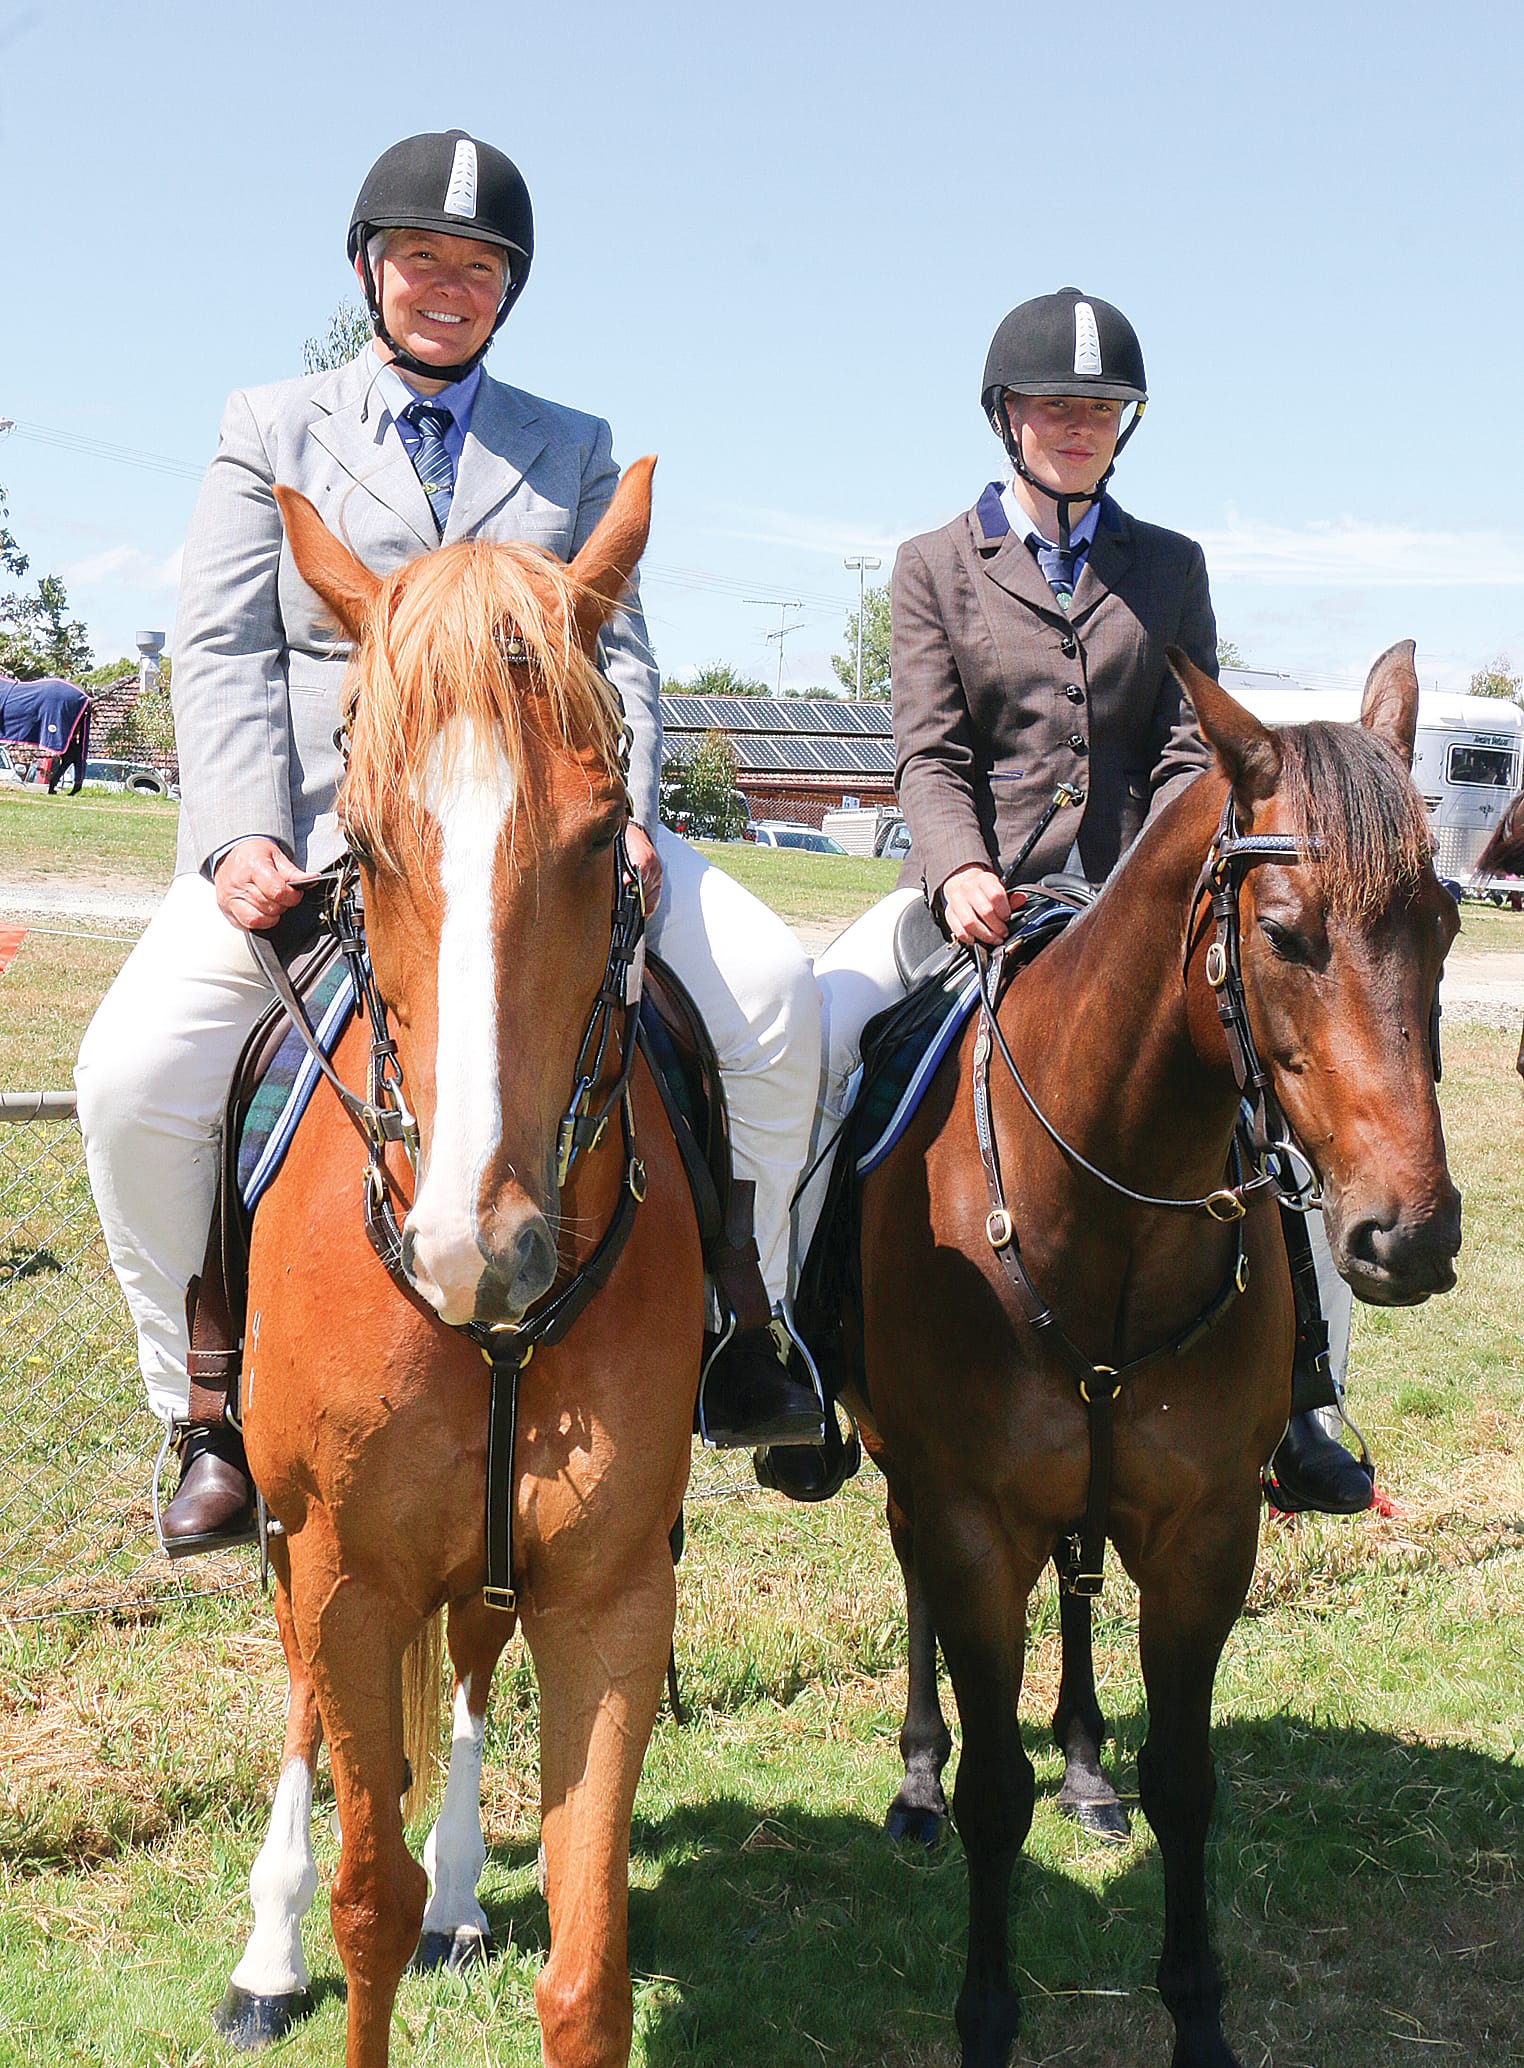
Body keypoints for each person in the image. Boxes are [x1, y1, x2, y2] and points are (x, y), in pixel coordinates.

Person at [75, 130, 823, 1559]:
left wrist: (640, 821)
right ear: (371, 269)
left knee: (779, 1008)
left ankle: (752, 1323)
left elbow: (635, 659)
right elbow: (226, 647)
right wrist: (239, 835)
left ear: (507, 292)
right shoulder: (271, 426)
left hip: (546, 838)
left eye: (479, 267)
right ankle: (204, 1410)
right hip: (327, 841)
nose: (448, 285)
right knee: (127, 1077)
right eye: (423, 257)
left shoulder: (573, 447)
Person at [778, 287, 1371, 1515]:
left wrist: (1132, 896)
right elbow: (930, 750)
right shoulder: (937, 565)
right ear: (1007, 418)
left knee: (1268, 1098)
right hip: (966, 903)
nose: (1078, 425)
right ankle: (806, 1347)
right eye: (1055, 405)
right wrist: (959, 870)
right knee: (824, 1041)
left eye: (1101, 409)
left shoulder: (1171, 567)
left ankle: (1307, 1391)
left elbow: (1182, 754)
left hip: (1132, 911)